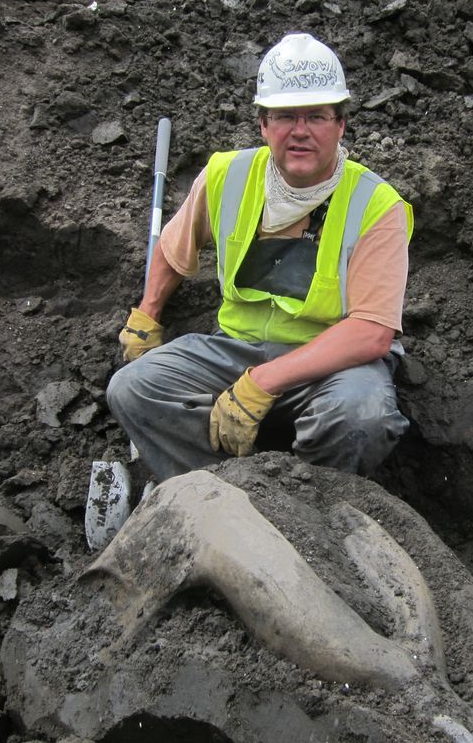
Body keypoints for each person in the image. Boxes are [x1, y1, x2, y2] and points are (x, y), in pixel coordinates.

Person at [106, 33, 413, 484]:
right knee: (134, 387)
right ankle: (224, 493)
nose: (301, 131)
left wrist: (263, 381)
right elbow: (172, 251)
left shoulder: (376, 204)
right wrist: (147, 314)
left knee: (361, 416)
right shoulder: (226, 175)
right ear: (263, 123)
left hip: (333, 364)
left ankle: (311, 507)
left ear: (341, 124)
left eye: (317, 116)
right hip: (234, 347)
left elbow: (370, 334)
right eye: (286, 116)